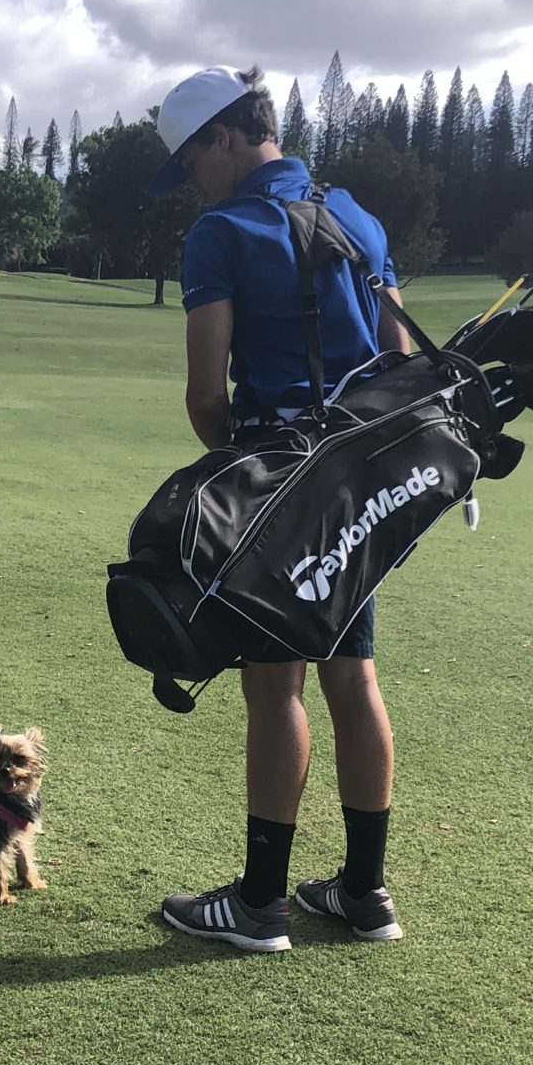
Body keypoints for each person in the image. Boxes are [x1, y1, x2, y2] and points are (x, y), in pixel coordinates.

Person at [148, 65, 412, 953]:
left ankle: (261, 905)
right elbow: (399, 354)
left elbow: (203, 393)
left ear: (224, 136)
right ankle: (365, 895)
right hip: (358, 472)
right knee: (353, 676)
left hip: (273, 473)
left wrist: (233, 477)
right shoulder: (358, 219)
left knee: (275, 684)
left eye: (192, 160)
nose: (195, 180)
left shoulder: (221, 231)